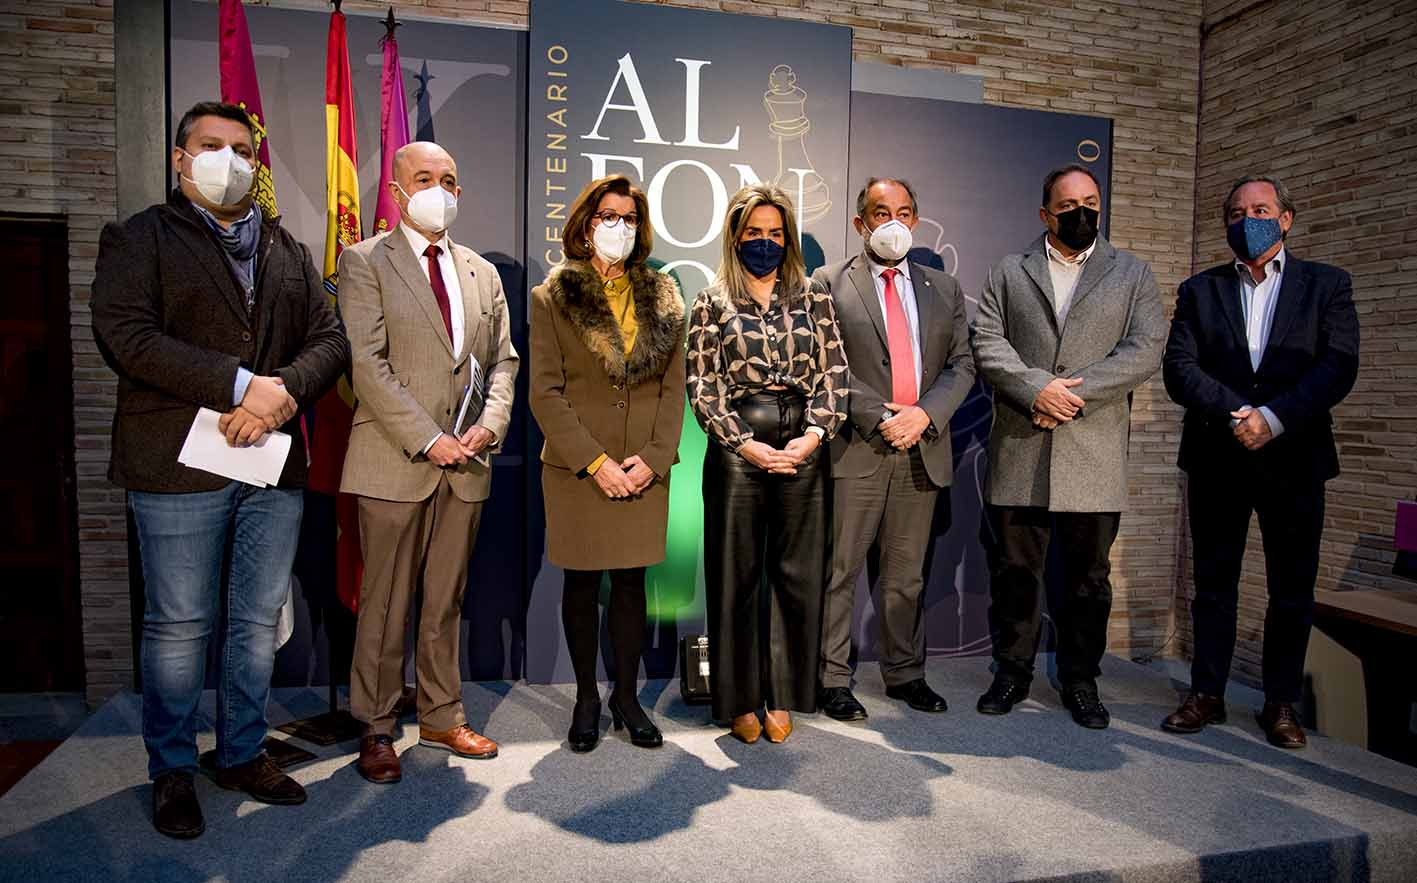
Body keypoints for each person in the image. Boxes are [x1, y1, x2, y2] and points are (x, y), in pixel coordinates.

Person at [91, 101, 348, 838]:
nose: (228, 159)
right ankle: (171, 766)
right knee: (177, 625)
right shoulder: (140, 237)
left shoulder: (286, 247)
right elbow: (127, 337)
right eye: (211, 145)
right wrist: (241, 385)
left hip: (269, 462)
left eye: (240, 148)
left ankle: (239, 751)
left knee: (254, 620)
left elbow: (328, 339)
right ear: (180, 158)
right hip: (175, 464)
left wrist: (279, 397)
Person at [339, 141, 519, 783]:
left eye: (448, 179)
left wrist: (489, 425)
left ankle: (442, 714)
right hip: (395, 460)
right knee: (385, 603)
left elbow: (504, 362)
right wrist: (428, 437)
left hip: (467, 465)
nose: (437, 189)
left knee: (446, 600)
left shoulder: (480, 272)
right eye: (424, 179)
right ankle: (378, 726)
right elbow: (368, 364)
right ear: (396, 190)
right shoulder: (364, 262)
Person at [1161, 174, 1359, 749]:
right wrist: (1238, 412)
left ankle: (1280, 704)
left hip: (1294, 457)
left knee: (1291, 588)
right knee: (1213, 584)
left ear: (1286, 218)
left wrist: (1272, 418)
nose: (1249, 219)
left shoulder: (1327, 285)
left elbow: (1337, 366)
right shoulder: (1201, 290)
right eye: (1237, 211)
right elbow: (1180, 368)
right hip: (1218, 456)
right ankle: (1207, 694)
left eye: (1261, 209)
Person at [971, 164, 1165, 729]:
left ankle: (1081, 679)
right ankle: (1012, 672)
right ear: (1045, 214)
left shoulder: (1132, 273)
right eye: (1068, 205)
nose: (1082, 213)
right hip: (1022, 447)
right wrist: (1037, 388)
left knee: (1088, 580)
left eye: (1091, 203)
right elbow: (987, 340)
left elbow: (1145, 348)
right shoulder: (1010, 271)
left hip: (1093, 450)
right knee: (1016, 573)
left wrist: (1074, 396)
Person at [529, 175, 686, 752]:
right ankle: (587, 698)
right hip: (580, 471)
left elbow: (676, 389)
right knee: (581, 581)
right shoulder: (552, 297)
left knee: (629, 584)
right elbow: (545, 393)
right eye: (606, 216)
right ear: (585, 224)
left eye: (628, 218)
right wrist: (597, 463)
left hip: (645, 469)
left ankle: (626, 696)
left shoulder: (666, 296)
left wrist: (655, 459)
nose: (617, 227)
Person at [687, 183, 848, 744]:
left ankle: (781, 694)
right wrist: (744, 443)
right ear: (736, 236)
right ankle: (738, 699)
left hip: (804, 440)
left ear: (789, 238)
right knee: (737, 575)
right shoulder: (711, 301)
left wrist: (813, 437)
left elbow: (834, 374)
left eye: (775, 233)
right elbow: (702, 385)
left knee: (796, 574)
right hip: (738, 445)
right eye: (754, 233)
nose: (765, 242)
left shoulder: (814, 297)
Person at [812, 178, 975, 721]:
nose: (893, 223)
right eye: (881, 213)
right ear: (861, 223)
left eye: (904, 212)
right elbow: (821, 366)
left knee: (907, 575)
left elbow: (962, 365)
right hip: (858, 445)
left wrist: (924, 414)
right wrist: (879, 415)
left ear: (916, 219)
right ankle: (833, 679)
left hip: (920, 447)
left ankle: (905, 674)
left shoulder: (943, 289)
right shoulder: (828, 283)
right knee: (841, 570)